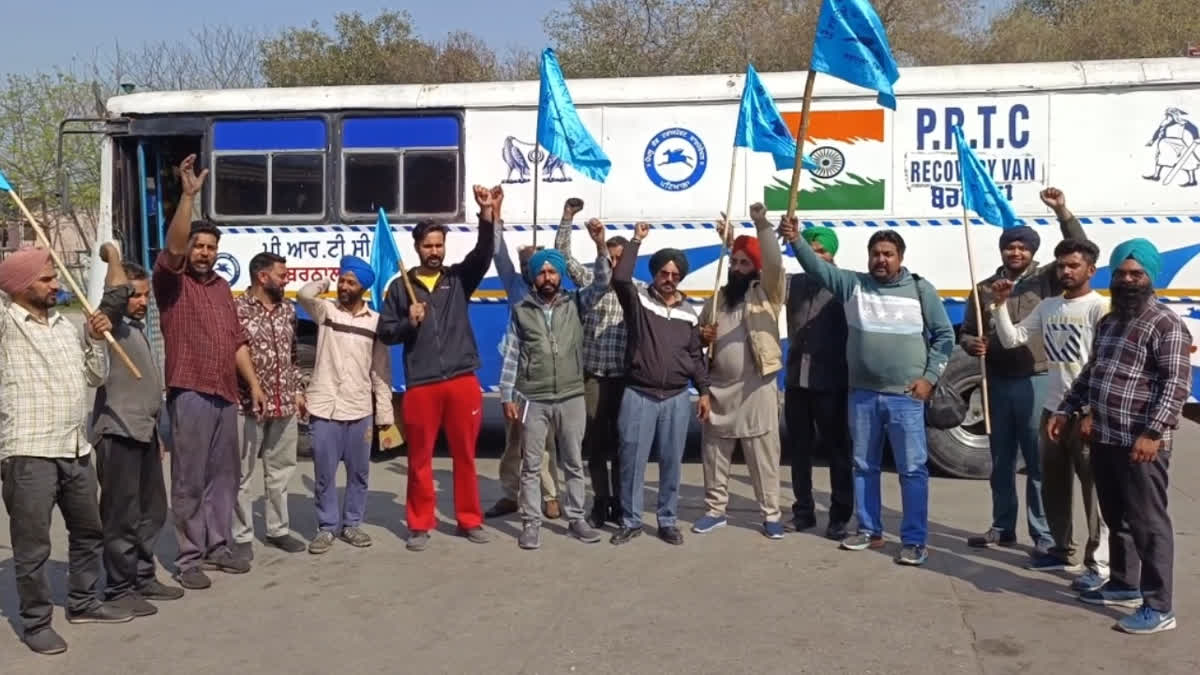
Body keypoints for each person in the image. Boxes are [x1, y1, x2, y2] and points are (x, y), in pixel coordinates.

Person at [780, 221, 954, 566]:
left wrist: (929, 379)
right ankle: (869, 530)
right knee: (863, 465)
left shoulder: (920, 289)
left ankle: (914, 540)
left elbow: (944, 336)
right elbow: (815, 265)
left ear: (900, 257)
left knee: (912, 470)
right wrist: (795, 239)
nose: (881, 260)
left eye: (888, 254)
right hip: (862, 395)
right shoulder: (853, 286)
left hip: (905, 397)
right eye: (875, 254)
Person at [1051, 238, 1190, 635]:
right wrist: (1067, 408)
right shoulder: (1109, 322)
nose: (1128, 281)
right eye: (1121, 274)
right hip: (1106, 437)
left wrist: (1153, 432)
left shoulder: (1166, 324)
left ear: (1150, 277)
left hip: (1142, 444)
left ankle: (1159, 606)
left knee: (1149, 523)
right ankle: (1124, 584)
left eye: (1136, 274)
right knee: (1116, 516)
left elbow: (1175, 386)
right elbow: (1092, 373)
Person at [0, 246, 126, 655]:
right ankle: (36, 622)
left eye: (55, 277)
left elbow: (96, 376)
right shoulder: (5, 325)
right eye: (47, 279)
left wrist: (94, 339)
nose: (56, 285)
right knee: (33, 546)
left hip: (75, 447)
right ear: (20, 286)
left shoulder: (66, 325)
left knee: (88, 532)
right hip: (28, 451)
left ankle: (84, 601)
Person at [154, 154, 266, 589]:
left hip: (225, 393)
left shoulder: (222, 288)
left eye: (211, 248)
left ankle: (218, 545)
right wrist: (187, 198)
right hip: (191, 391)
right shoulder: (172, 282)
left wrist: (252, 383)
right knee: (189, 477)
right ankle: (189, 556)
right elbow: (174, 249)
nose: (204, 253)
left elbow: (237, 340)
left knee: (225, 477)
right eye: (199, 246)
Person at [960, 187, 1087, 562]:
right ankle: (1002, 526)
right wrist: (972, 346)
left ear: (1032, 251)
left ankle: (1043, 533)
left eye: (1022, 247)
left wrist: (1062, 210)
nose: (1016, 252)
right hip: (996, 381)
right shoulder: (982, 288)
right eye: (1009, 246)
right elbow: (967, 331)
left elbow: (1079, 244)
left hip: (1037, 379)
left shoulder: (1045, 279)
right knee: (999, 460)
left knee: (1037, 462)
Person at [378, 185, 497, 552]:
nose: (434, 251)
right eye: (428, 245)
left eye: (439, 245)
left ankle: (469, 519)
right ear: (417, 248)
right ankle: (419, 523)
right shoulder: (400, 288)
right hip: (421, 384)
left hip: (462, 380)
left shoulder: (459, 279)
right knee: (420, 459)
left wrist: (487, 214)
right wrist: (408, 323)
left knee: (465, 457)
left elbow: (484, 252)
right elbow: (385, 331)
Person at [991, 237, 1111, 592]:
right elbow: (1013, 339)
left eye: (1074, 265)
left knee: (1094, 493)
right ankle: (1061, 549)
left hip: (1087, 413)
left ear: (1090, 270)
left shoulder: (1099, 309)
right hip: (1053, 412)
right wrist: (999, 306)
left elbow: (1104, 365)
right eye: (1061, 265)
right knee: (1054, 486)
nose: (1066, 271)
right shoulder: (1048, 306)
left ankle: (1098, 563)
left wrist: (1093, 412)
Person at [91, 244, 184, 623]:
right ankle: (119, 587)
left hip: (144, 433)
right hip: (117, 433)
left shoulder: (135, 330)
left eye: (146, 295)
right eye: (135, 294)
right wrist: (113, 260)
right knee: (121, 516)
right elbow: (112, 299)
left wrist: (157, 432)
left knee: (152, 512)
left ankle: (143, 576)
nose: (142, 301)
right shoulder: (106, 326)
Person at [499, 241, 612, 549]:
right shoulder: (521, 311)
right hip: (533, 398)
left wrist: (601, 247)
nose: (547, 277)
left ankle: (576, 519)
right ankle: (531, 524)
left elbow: (602, 282)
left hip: (571, 395)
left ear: (560, 275)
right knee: (531, 465)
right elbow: (511, 354)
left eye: (552, 271)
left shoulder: (576, 303)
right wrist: (507, 396)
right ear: (533, 277)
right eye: (542, 272)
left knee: (574, 462)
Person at [610, 222, 711, 546]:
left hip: (677, 398)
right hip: (639, 393)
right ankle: (630, 520)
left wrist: (705, 391)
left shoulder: (689, 312)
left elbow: (695, 355)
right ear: (655, 273)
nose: (669, 279)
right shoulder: (638, 301)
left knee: (671, 463)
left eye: (675, 274)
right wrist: (636, 241)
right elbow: (621, 277)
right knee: (632, 461)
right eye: (664, 273)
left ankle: (667, 521)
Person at [693, 204, 785, 539]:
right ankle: (715, 509)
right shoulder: (718, 298)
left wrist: (762, 225)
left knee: (762, 455)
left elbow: (774, 262)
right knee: (715, 454)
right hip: (719, 389)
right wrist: (703, 336)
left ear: (755, 268)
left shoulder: (768, 294)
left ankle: (771, 514)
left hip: (757, 387)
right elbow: (697, 336)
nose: (737, 267)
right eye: (734, 262)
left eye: (745, 262)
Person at [297, 257, 394, 554]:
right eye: (342, 280)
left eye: (351, 282)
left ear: (363, 288)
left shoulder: (375, 322)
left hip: (359, 409)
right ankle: (326, 527)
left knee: (359, 473)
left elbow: (380, 370)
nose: (344, 286)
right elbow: (303, 295)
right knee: (324, 472)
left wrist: (385, 415)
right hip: (324, 407)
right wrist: (324, 282)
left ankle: (351, 524)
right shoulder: (325, 311)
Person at [556, 201, 636, 529]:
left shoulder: (635, 292)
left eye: (619, 259)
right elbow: (563, 256)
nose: (613, 264)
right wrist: (567, 219)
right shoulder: (590, 285)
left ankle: (621, 501)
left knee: (621, 444)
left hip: (623, 379)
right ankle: (600, 501)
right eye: (609, 258)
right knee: (596, 445)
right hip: (591, 377)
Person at [485, 193, 561, 521]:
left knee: (545, 443)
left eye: (534, 260)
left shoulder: (554, 291)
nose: (528, 265)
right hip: (515, 376)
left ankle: (551, 495)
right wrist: (496, 215)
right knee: (513, 440)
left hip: (544, 376)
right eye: (525, 261)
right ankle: (510, 493)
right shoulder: (515, 287)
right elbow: (498, 253)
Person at [232, 252, 307, 557]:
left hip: (285, 403)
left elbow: (293, 356)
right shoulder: (237, 309)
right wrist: (252, 386)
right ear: (262, 277)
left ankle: (278, 529)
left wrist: (298, 390)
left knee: (280, 470)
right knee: (242, 474)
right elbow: (234, 352)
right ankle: (241, 536)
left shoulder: (288, 310)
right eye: (281, 274)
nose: (286, 279)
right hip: (247, 405)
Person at [783, 225, 852, 540]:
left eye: (821, 251)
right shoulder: (793, 284)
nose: (816, 256)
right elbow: (767, 271)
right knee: (799, 451)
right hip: (798, 380)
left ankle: (839, 516)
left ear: (832, 253)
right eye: (811, 250)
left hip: (832, 382)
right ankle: (803, 511)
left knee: (838, 452)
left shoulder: (846, 284)